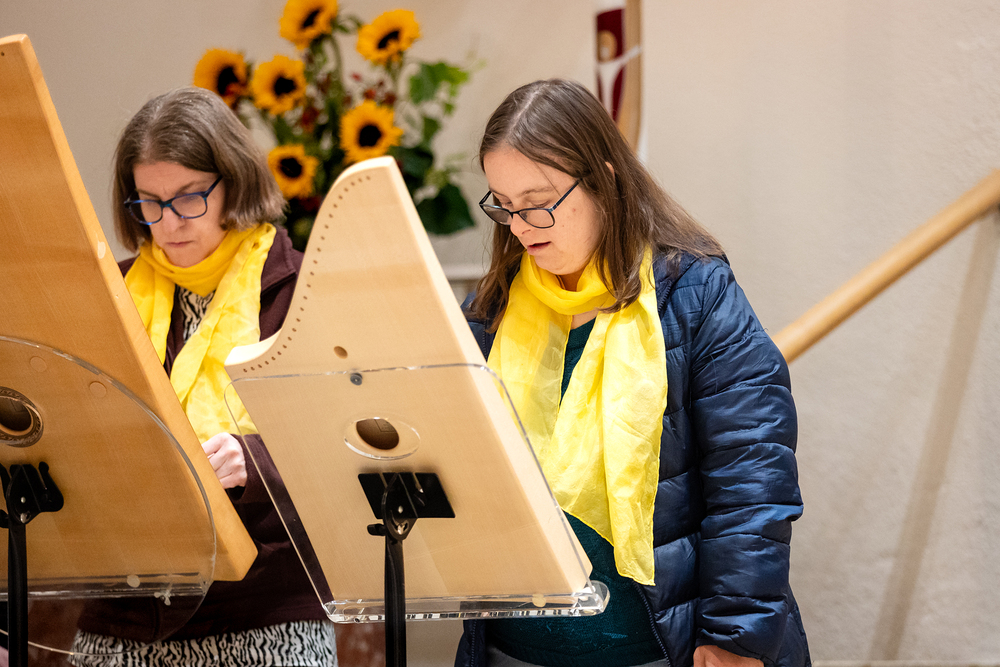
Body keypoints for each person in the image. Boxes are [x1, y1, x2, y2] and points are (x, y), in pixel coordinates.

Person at [455, 79, 810, 667]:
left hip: (660, 649)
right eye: (504, 205)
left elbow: (751, 477)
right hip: (511, 650)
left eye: (539, 201)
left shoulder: (695, 295)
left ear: (604, 179)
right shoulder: (490, 309)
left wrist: (734, 635)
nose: (521, 225)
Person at [70, 87, 336, 666]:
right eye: (149, 202)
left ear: (233, 184)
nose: (168, 223)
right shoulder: (108, 294)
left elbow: (347, 443)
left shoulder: (303, 291)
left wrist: (255, 460)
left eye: (189, 198)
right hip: (125, 608)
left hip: (262, 608)